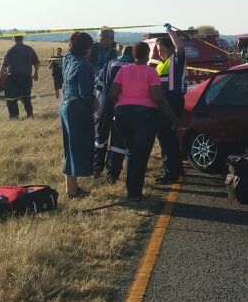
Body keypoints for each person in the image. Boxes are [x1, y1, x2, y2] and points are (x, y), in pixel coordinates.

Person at [110, 41, 177, 201]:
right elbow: (158, 97)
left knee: (131, 152)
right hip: (144, 117)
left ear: (133, 54)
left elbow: (112, 94)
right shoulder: (150, 72)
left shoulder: (123, 70)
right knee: (140, 155)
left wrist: (124, 103)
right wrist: (173, 117)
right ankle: (134, 193)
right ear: (148, 55)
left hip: (122, 116)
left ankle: (131, 191)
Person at [61, 31, 96, 198]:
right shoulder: (83, 66)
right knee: (77, 148)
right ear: (87, 49)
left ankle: (71, 187)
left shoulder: (68, 59)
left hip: (65, 106)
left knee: (70, 148)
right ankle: (72, 190)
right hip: (78, 110)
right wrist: (96, 105)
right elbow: (86, 94)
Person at [153, 23, 188, 184]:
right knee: (170, 137)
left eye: (161, 49)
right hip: (165, 102)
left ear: (170, 48)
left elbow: (180, 47)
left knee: (166, 137)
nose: (159, 53)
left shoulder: (175, 59)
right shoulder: (160, 65)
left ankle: (170, 173)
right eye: (158, 50)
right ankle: (177, 168)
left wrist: (170, 32)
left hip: (173, 101)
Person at [94, 45, 134, 181]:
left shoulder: (110, 63)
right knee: (118, 140)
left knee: (100, 136)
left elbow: (99, 85)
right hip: (122, 105)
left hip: (105, 103)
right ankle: (112, 173)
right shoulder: (133, 66)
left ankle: (96, 168)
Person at [0, 35, 40, 118]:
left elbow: (4, 66)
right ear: (22, 39)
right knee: (26, 97)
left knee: (11, 98)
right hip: (26, 78)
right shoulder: (29, 49)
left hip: (13, 78)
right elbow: (36, 63)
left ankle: (14, 115)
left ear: (14, 39)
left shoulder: (10, 50)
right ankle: (29, 114)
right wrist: (36, 73)